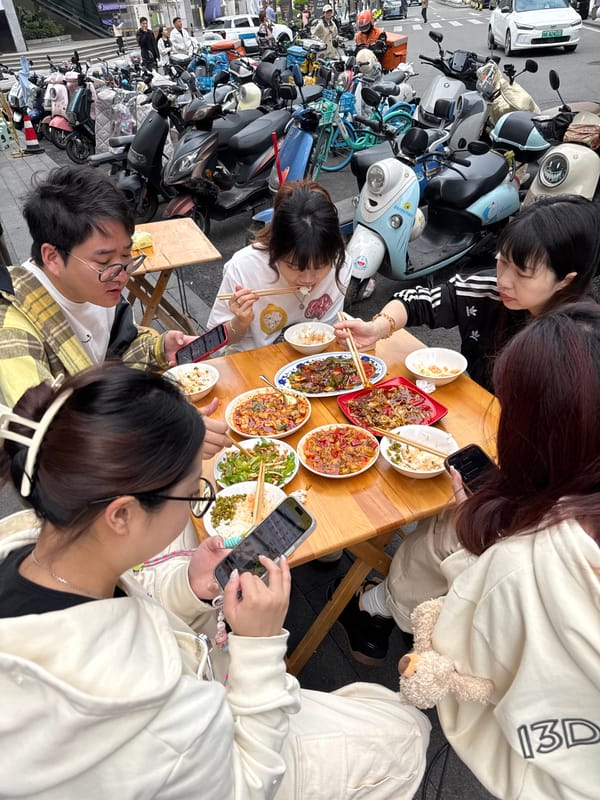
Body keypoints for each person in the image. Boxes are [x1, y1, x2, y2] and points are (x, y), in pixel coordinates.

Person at [0, 361, 431, 798]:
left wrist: (187, 587)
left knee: (378, 713)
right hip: (230, 744)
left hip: (205, 702)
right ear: (122, 515)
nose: (195, 504)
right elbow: (248, 784)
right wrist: (259, 645)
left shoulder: (28, 546)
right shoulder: (135, 701)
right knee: (409, 733)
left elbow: (135, 598)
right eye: (193, 492)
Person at [377, 304, 600, 799]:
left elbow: (450, 659)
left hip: (536, 773)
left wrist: (474, 533)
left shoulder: (524, 564)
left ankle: (377, 607)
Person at [0, 165, 229, 457]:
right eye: (104, 261)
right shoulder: (12, 330)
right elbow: (47, 439)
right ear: (52, 257)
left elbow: (118, 353)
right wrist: (168, 432)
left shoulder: (97, 289)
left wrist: (159, 349)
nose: (122, 275)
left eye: (126, 255)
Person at [335, 195, 600, 392]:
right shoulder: (489, 289)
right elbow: (419, 301)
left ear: (565, 281)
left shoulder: (583, 339)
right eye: (502, 261)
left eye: (522, 273)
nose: (503, 281)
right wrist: (377, 328)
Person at [207, 180, 351, 352]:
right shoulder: (245, 268)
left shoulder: (340, 264)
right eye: (294, 267)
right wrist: (240, 322)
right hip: (254, 359)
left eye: (320, 266)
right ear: (274, 249)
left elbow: (330, 333)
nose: (308, 279)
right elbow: (217, 343)